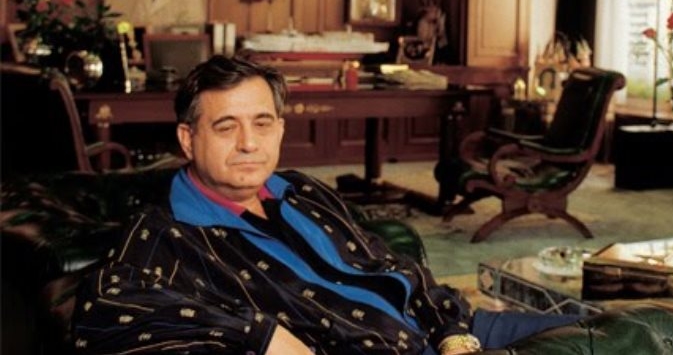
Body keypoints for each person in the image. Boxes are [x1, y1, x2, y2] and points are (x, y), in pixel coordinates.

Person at [70, 55, 579, 355]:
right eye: (226, 127)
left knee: (601, 330)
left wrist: (453, 335)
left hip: (452, 329)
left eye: (262, 123)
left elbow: (393, 266)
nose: (249, 143)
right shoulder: (166, 230)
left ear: (280, 129)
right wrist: (258, 335)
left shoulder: (301, 190)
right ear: (188, 139)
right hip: (382, 348)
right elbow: (101, 314)